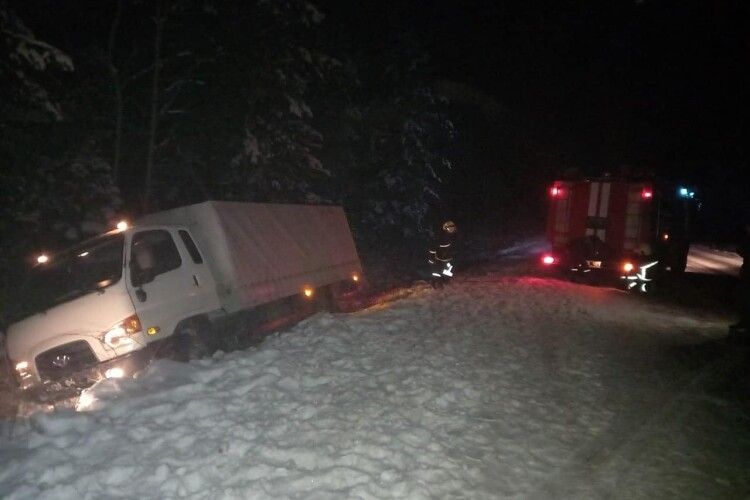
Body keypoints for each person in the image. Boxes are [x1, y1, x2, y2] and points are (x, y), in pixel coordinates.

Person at [730, 223, 750, 332]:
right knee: (744, 297)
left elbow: (741, 250)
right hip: (747, 270)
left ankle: (745, 321)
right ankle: (744, 321)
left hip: (748, 271)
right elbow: (741, 249)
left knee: (745, 297)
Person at [428, 220, 457, 288]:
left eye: (452, 228)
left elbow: (454, 247)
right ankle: (435, 283)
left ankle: (445, 281)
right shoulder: (440, 237)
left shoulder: (453, 236)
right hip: (439, 258)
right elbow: (433, 247)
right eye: (449, 228)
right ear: (445, 229)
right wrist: (431, 258)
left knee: (448, 270)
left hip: (449, 258)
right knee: (436, 272)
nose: (451, 230)